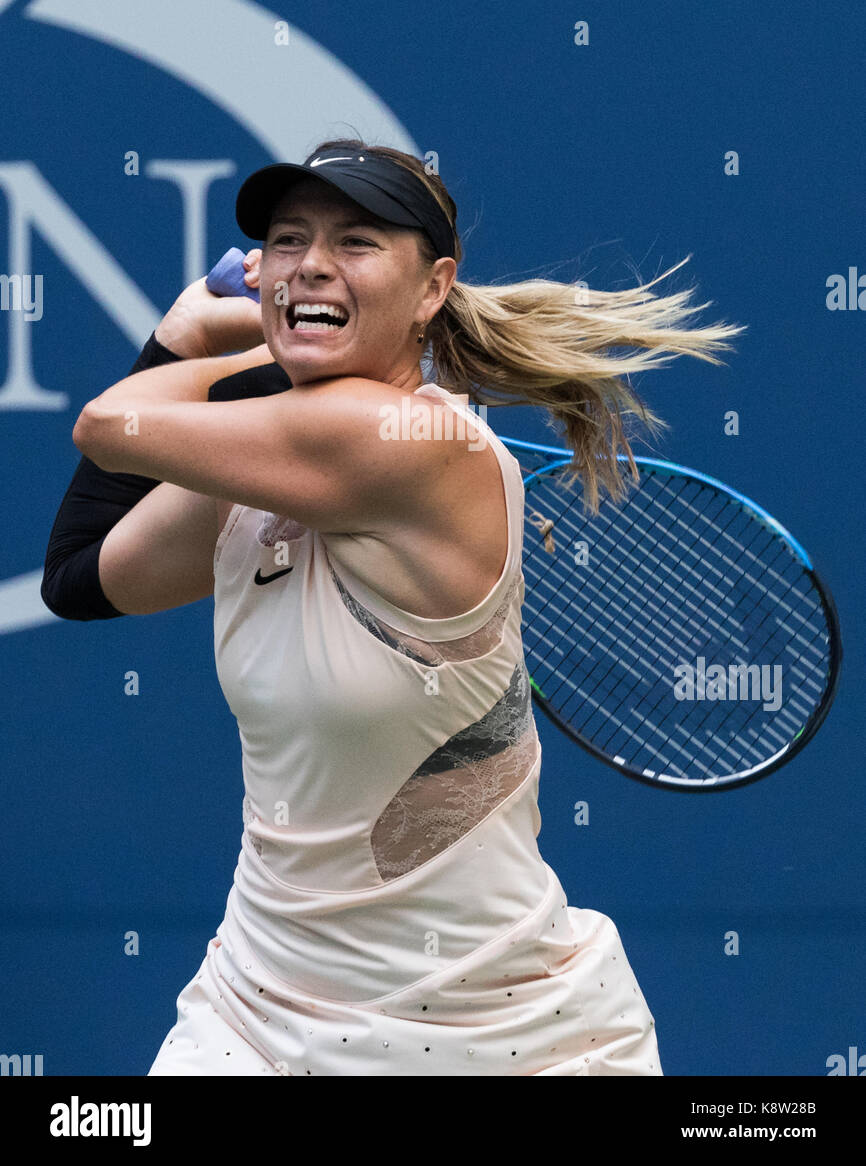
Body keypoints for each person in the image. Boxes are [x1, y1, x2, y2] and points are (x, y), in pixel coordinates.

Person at [42, 139, 739, 1075]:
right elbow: (80, 575)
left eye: (357, 241)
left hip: (502, 1041)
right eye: (287, 242)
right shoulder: (256, 473)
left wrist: (196, 336)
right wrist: (267, 343)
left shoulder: (406, 443)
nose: (310, 264)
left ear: (432, 287)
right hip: (253, 1018)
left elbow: (108, 425)